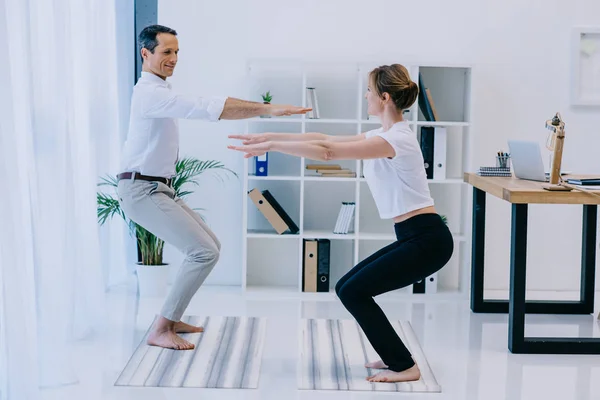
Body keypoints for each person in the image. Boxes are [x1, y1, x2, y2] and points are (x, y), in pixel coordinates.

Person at [228, 64, 454, 383]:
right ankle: (394, 355)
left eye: (369, 91)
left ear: (385, 98)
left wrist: (272, 146)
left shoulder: (397, 140)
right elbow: (323, 137)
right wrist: (268, 136)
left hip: (427, 241)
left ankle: (404, 366)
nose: (365, 96)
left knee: (355, 292)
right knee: (347, 287)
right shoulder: (385, 134)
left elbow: (329, 152)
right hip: (414, 237)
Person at [117, 24, 310, 351]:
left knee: (211, 246)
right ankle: (160, 329)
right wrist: (268, 108)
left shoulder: (160, 92)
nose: (174, 58)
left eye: (177, 52)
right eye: (167, 52)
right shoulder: (150, 94)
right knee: (202, 252)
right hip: (141, 190)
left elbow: (204, 106)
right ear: (145, 53)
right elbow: (208, 107)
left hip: (158, 188)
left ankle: (172, 318)